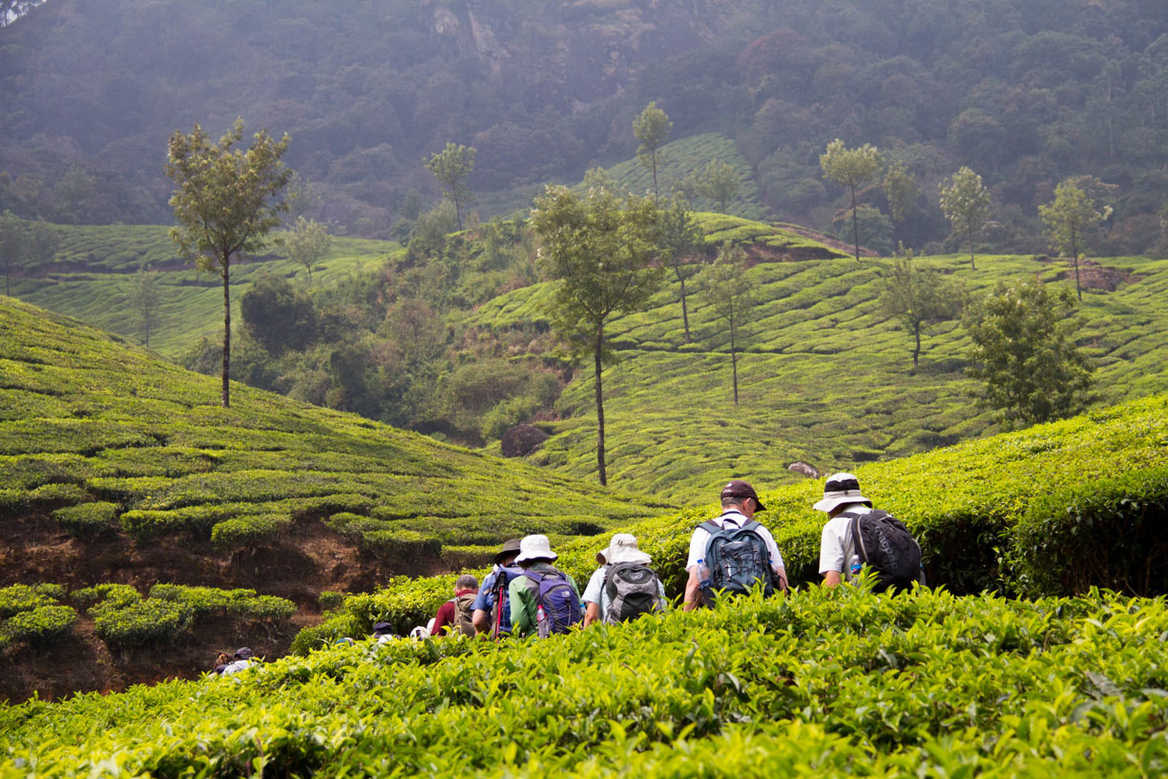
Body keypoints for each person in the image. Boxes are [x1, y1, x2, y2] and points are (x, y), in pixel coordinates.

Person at [683, 480, 788, 611]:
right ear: (748, 503)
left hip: (720, 615)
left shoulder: (703, 532)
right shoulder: (759, 530)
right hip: (760, 611)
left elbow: (694, 582)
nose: (753, 514)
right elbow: (781, 578)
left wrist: (686, 622)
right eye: (754, 508)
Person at [815, 471, 922, 592]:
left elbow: (832, 580)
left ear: (833, 506)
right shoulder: (884, 516)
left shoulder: (833, 526)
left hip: (866, 603)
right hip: (905, 595)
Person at [582, 533, 666, 626]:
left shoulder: (601, 574)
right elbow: (663, 609)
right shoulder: (650, 576)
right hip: (648, 634)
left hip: (614, 636)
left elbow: (591, 616)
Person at [508, 534, 582, 637]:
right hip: (572, 641)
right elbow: (581, 611)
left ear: (522, 561)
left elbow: (519, 622)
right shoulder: (567, 579)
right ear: (549, 558)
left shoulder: (517, 583)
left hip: (538, 645)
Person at [472, 538, 523, 638]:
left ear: (503, 561)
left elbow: (477, 620)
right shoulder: (536, 576)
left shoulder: (491, 578)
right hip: (531, 644)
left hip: (500, 641)